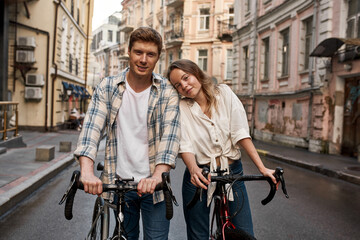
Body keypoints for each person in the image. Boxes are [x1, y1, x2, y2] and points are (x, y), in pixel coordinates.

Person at [74, 27, 180, 240]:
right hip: (120, 183)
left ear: (158, 57)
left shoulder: (167, 91)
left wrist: (158, 175)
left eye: (150, 54)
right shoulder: (108, 87)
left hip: (154, 187)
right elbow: (91, 130)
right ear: (129, 53)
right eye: (138, 52)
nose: (143, 59)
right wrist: (86, 171)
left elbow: (171, 137)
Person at [167, 59, 277, 239]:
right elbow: (185, 144)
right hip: (200, 175)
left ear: (196, 73)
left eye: (186, 78)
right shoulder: (182, 108)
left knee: (245, 233)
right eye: (178, 85)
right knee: (198, 235)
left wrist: (262, 168)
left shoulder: (224, 93)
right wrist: (194, 170)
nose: (184, 86)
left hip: (232, 171)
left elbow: (240, 132)